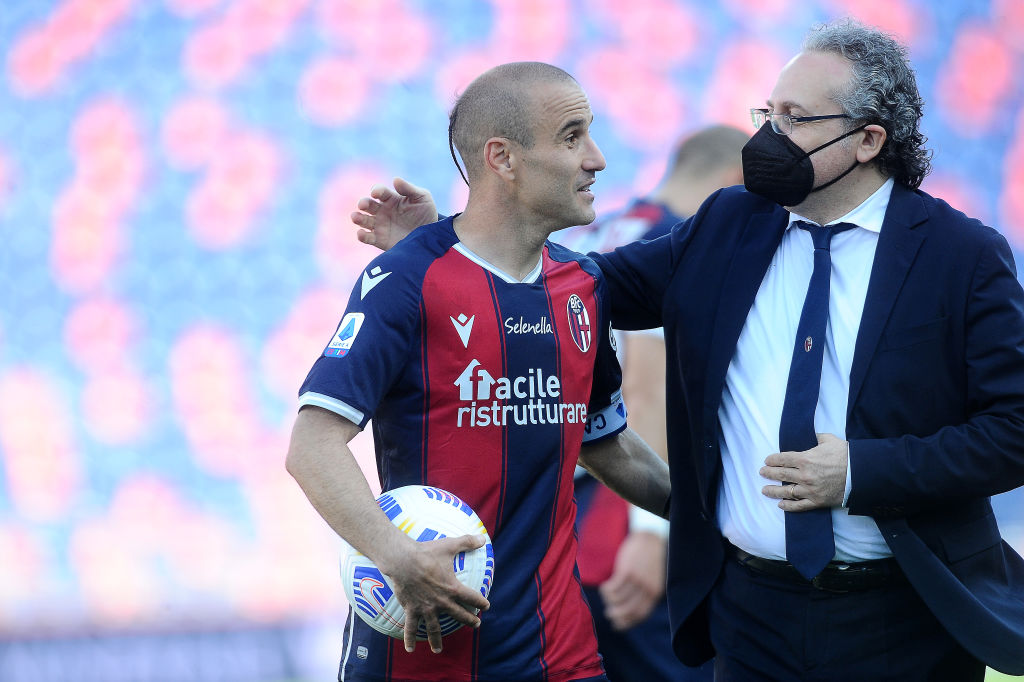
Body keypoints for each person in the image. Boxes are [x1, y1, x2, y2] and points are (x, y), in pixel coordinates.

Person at [350, 19, 1024, 681]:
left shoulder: (962, 257)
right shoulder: (730, 224)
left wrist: (859, 472)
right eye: (769, 111)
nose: (768, 135)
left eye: (795, 119)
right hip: (752, 616)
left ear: (868, 139)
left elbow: (1014, 431)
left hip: (905, 620)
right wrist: (449, 246)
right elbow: (578, 286)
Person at [286, 61, 671, 682]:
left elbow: (605, 442)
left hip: (563, 656)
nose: (597, 158)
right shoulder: (407, 279)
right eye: (572, 137)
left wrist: (712, 520)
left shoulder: (584, 286)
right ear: (503, 158)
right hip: (421, 658)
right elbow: (312, 447)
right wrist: (396, 557)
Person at [558, 125, 747, 682]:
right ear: (734, 184)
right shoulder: (674, 241)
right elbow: (645, 387)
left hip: (574, 503)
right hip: (627, 507)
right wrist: (647, 535)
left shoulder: (605, 230)